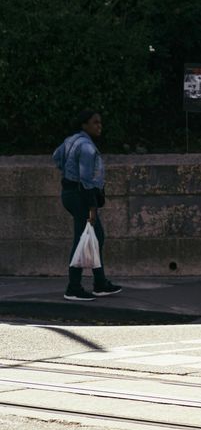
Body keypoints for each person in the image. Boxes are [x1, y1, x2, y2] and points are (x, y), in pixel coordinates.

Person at [53, 110, 122, 301]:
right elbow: (86, 180)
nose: (99, 126)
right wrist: (92, 206)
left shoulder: (71, 140)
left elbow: (56, 157)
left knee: (95, 236)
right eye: (95, 123)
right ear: (84, 125)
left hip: (70, 193)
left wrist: (68, 172)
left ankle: (100, 283)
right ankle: (73, 287)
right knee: (82, 239)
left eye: (100, 122)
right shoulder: (87, 148)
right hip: (81, 197)